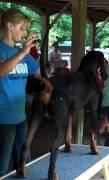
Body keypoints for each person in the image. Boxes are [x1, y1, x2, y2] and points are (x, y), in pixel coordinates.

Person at [0, 8, 51, 175]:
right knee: (2, 165)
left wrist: (51, 83)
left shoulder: (21, 53)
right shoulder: (5, 50)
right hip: (3, 117)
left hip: (20, 116)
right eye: (22, 28)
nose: (24, 33)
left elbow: (40, 74)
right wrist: (23, 52)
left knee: (24, 162)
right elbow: (1, 70)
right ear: (9, 26)